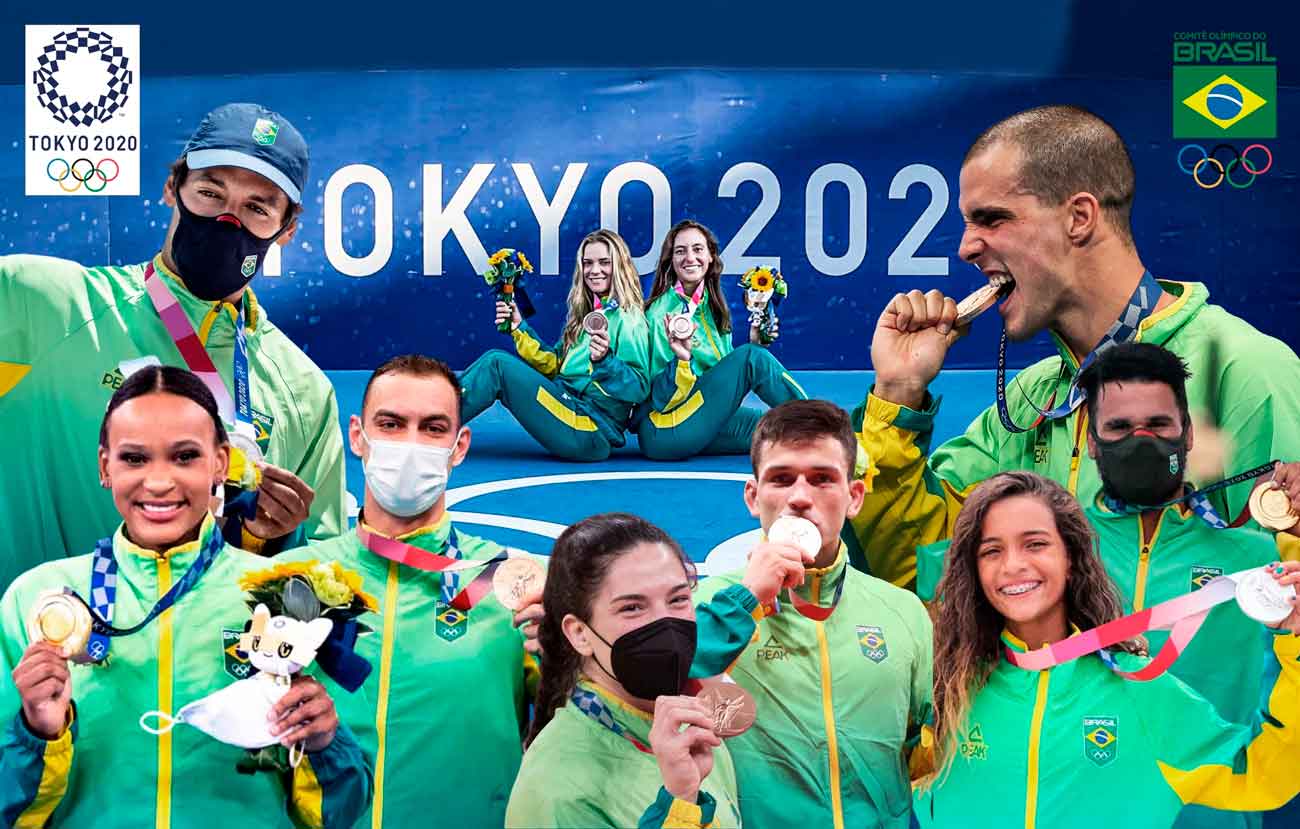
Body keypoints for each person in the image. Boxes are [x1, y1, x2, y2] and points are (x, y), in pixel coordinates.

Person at [851, 105, 1300, 588]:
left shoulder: (1244, 369)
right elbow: (926, 572)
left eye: (991, 219)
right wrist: (898, 392)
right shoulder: (1031, 397)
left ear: (1079, 217)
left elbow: (1284, 593)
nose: (966, 247)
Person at [0, 365, 371, 828]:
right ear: (104, 466)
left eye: (184, 457)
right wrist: (37, 732)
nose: (158, 482)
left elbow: (341, 813)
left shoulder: (291, 599)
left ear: (220, 462)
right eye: (134, 458)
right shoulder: (34, 601)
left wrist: (322, 743)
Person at [0, 103, 348, 588]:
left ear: (286, 230)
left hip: (193, 661)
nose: (228, 220)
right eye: (210, 192)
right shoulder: (40, 304)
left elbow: (323, 582)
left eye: (257, 207)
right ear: (172, 189)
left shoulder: (303, 390)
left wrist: (270, 540)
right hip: (34, 651)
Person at [915, 471, 1300, 828]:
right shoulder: (947, 686)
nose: (1013, 564)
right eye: (991, 551)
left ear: (1071, 558)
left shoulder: (1136, 689)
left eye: (1035, 544)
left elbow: (1260, 773)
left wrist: (1296, 646)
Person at [276, 354, 543, 828]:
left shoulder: (514, 583)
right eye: (392, 424)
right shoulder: (293, 581)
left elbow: (577, 725)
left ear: (459, 446)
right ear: (358, 436)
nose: (411, 444)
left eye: (433, 428)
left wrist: (566, 664)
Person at [695, 400, 933, 829]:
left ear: (854, 496)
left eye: (822, 480)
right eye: (781, 479)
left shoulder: (902, 612)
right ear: (754, 497)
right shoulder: (708, 604)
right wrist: (750, 598)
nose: (800, 498)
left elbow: (924, 748)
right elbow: (658, 682)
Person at [506, 512, 806, 829]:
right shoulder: (555, 790)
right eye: (632, 607)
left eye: (678, 599)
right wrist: (679, 803)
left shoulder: (691, 727)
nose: (665, 626)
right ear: (580, 633)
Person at [460, 229, 650, 461]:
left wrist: (605, 361)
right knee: (494, 359)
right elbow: (554, 366)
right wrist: (519, 328)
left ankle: (430, 422)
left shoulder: (629, 319)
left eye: (604, 263)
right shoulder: (588, 314)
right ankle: (431, 413)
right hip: (566, 404)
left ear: (620, 266)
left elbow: (639, 389)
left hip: (588, 429)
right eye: (587, 263)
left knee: (496, 365)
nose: (594, 270)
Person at [634, 220, 807, 461]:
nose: (690, 257)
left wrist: (756, 342)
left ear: (711, 256)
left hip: (696, 418)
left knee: (779, 428)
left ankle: (826, 435)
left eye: (697, 249)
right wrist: (683, 361)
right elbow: (662, 399)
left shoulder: (712, 307)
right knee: (750, 358)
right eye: (680, 251)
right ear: (670, 261)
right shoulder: (662, 314)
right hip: (665, 426)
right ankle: (825, 429)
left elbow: (723, 387)